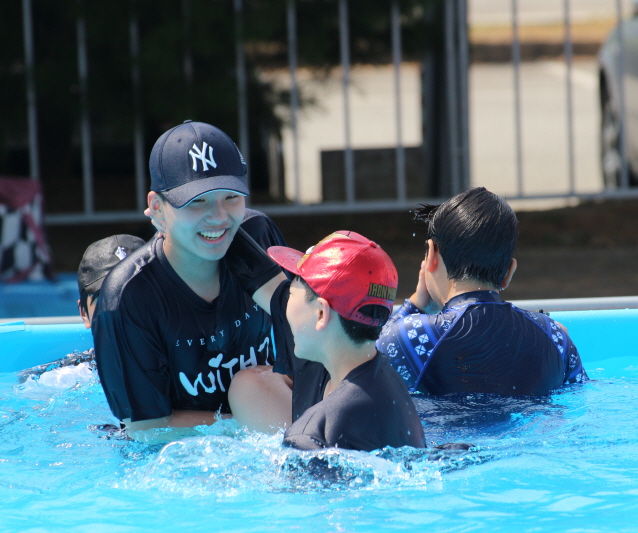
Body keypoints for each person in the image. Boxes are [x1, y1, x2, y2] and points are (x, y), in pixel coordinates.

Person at [91, 120, 287, 443]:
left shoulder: (258, 237)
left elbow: (306, 343)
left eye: (231, 197)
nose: (219, 217)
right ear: (157, 208)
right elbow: (147, 429)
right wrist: (250, 425)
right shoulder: (128, 297)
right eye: (197, 201)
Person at [226, 230, 426, 452]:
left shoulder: (312, 437)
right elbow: (260, 277)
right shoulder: (388, 382)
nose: (285, 306)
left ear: (321, 313)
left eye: (290, 294)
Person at [376, 187, 588, 396]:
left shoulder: (412, 335)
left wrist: (414, 305)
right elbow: (580, 393)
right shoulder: (555, 336)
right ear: (508, 272)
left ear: (431, 255)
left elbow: (366, 359)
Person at [18, 234, 146, 381]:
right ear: (84, 313)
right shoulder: (57, 379)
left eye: (139, 297)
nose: (124, 309)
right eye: (107, 299)